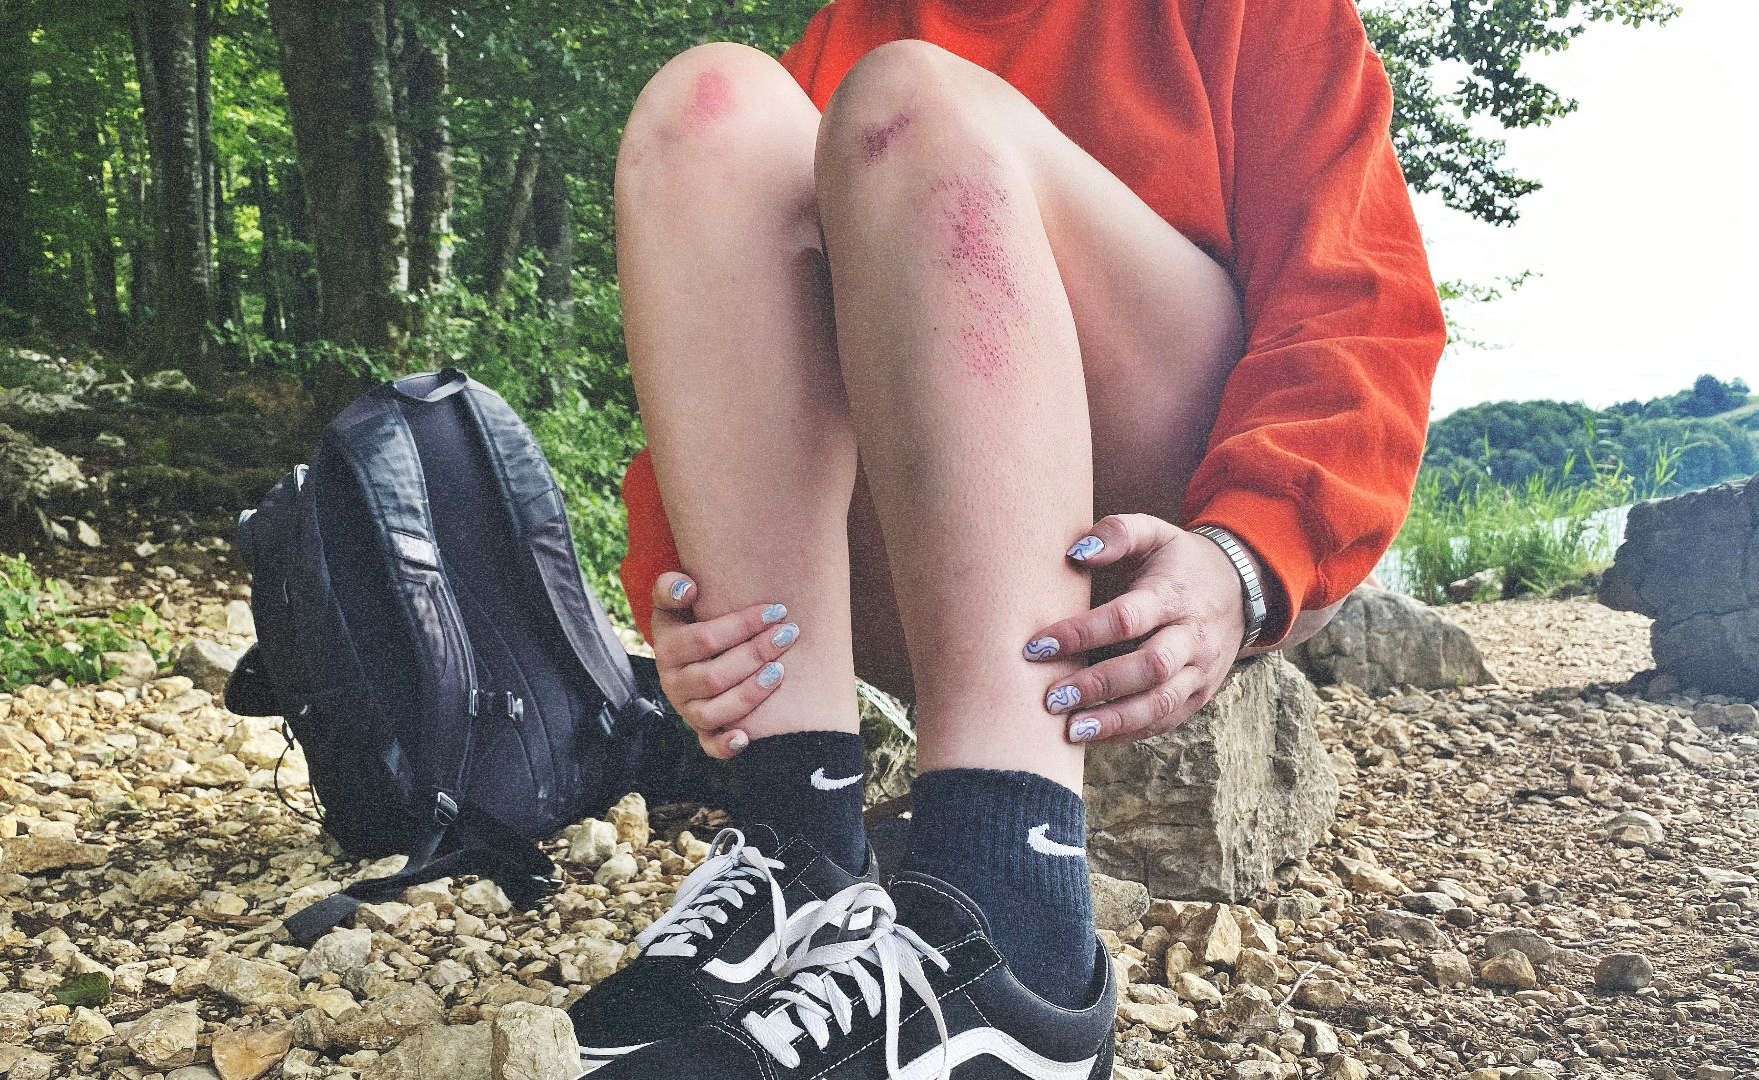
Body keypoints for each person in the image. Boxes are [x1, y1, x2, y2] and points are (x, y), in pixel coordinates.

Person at [570, 0, 1446, 1074]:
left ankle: (1011, 927)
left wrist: (1250, 552)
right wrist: (687, 598)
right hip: (910, 560)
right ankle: (799, 854)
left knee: (911, 103)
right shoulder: (847, 25)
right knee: (710, 108)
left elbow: (1357, 306)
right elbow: (726, 362)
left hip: (1147, 552)